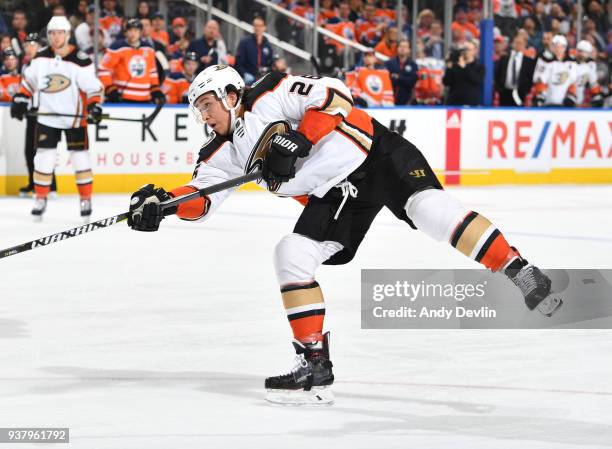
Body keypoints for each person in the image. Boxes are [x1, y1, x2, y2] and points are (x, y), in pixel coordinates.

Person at [125, 65, 562, 404]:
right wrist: (163, 204)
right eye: (197, 108)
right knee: (291, 254)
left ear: (231, 94)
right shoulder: (221, 151)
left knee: (430, 211)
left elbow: (335, 97)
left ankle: (519, 270)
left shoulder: (271, 91)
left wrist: (297, 139)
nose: (202, 114)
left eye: (206, 104)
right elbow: (200, 198)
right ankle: (313, 361)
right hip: (336, 194)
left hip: (374, 153)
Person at [11, 16, 103, 220]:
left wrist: (94, 105)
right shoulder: (40, 58)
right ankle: (40, 199)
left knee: (80, 159)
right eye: (52, 33)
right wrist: (20, 99)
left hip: (75, 119)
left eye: (60, 32)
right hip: (47, 117)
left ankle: (86, 199)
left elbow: (93, 88)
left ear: (68, 34)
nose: (55, 37)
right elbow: (29, 83)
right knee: (43, 158)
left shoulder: (81, 60)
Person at [98, 18, 165, 104]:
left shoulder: (149, 49)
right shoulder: (117, 47)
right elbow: (103, 69)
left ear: (140, 32)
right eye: (130, 30)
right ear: (125, 32)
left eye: (136, 30)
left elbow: (152, 72)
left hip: (145, 98)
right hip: (122, 98)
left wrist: (155, 89)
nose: (133, 33)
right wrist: (110, 89)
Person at [532, 34, 577, 107]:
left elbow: (573, 82)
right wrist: (540, 95)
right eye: (554, 46)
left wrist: (571, 96)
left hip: (564, 104)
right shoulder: (545, 60)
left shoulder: (571, 62)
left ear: (564, 47)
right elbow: (540, 80)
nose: (557, 49)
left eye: (559, 46)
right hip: (547, 102)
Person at [494, 34, 536, 106]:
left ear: (524, 44)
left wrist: (525, 91)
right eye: (516, 42)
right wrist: (499, 89)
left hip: (520, 92)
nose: (518, 45)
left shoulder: (528, 61)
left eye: (520, 43)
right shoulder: (504, 58)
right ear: (512, 43)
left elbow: (530, 78)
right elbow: (497, 74)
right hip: (504, 92)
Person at [443, 40, 484, 106]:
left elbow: (477, 80)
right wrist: (449, 67)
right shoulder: (455, 65)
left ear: (474, 51)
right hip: (454, 103)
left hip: (470, 103)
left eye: (468, 49)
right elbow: (446, 82)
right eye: (463, 49)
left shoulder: (479, 67)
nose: (465, 52)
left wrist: (464, 67)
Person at [235, 16, 273, 85]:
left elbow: (270, 63)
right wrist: (244, 74)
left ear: (264, 28)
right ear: (253, 27)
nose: (258, 28)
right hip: (248, 79)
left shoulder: (267, 45)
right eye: (255, 25)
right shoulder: (244, 43)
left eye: (260, 26)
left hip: (262, 78)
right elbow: (238, 63)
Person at [384, 39, 418, 105]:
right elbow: (387, 79)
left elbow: (412, 81)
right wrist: (404, 78)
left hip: (407, 99)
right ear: (397, 48)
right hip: (390, 99)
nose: (402, 49)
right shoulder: (389, 63)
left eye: (405, 47)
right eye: (401, 46)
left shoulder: (413, 65)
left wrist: (398, 77)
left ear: (409, 50)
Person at [573, 40, 603, 107]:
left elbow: (593, 83)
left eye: (585, 52)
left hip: (580, 99)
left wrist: (597, 95)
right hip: (566, 97)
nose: (582, 54)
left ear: (588, 53)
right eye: (580, 51)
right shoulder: (569, 62)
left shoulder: (590, 65)